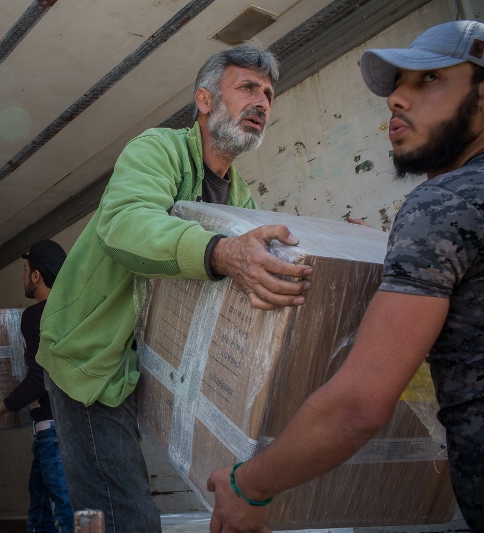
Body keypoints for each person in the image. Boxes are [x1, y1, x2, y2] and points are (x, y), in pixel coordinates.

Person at [207, 20, 484, 533]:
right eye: (397, 83)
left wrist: (250, 485)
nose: (396, 100)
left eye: (428, 80)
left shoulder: (444, 204)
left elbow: (359, 403)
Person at [35, 41, 314, 533]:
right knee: (125, 517)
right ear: (204, 100)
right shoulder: (156, 149)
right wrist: (220, 253)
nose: (262, 103)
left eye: (269, 94)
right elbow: (124, 223)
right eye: (247, 88)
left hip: (150, 366)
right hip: (91, 354)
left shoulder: (243, 197)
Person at [0, 240, 74, 533]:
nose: (22, 277)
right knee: (41, 517)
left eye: (25, 270)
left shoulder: (36, 315)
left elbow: (38, 376)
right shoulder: (76, 311)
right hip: (69, 429)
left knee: (64, 517)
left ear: (36, 276)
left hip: (55, 432)